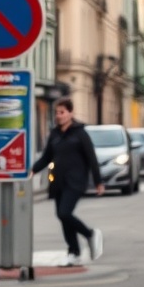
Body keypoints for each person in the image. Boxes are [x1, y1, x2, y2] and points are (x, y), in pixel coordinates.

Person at [31, 97, 104, 267]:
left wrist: (98, 182)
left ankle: (90, 234)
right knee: (63, 217)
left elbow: (92, 158)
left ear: (70, 113)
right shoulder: (55, 134)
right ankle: (73, 252)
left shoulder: (80, 133)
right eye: (56, 113)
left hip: (75, 182)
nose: (59, 116)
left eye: (62, 112)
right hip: (57, 182)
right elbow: (46, 158)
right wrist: (32, 171)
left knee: (64, 213)